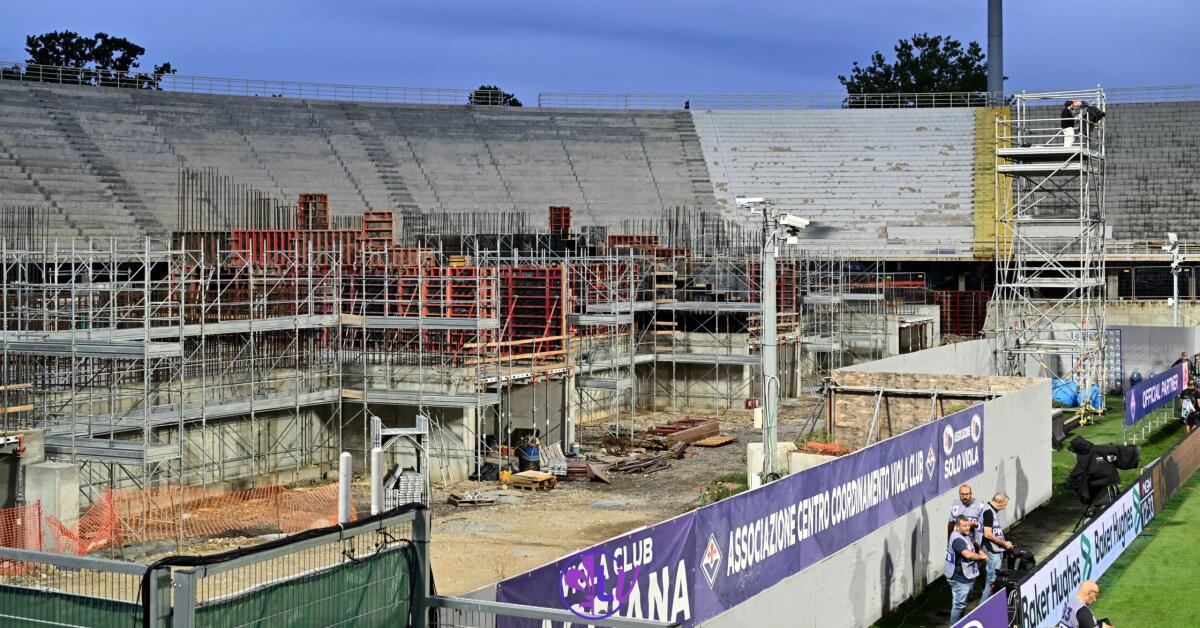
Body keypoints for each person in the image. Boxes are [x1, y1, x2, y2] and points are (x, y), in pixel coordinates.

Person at [945, 515, 987, 623]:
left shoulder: (965, 534)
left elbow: (973, 542)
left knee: (963, 604)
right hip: (959, 577)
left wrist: (980, 550)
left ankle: (960, 623)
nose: (968, 528)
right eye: (964, 526)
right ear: (957, 527)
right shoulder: (957, 539)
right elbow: (968, 555)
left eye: (968, 525)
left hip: (967, 575)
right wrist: (981, 557)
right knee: (958, 605)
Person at [979, 491, 1014, 600]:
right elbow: (988, 534)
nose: (1004, 507)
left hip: (995, 550)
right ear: (999, 502)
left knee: (993, 580)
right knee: (992, 581)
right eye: (1005, 504)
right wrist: (1004, 544)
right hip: (992, 551)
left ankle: (987, 605)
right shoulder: (989, 512)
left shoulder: (990, 511)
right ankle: (983, 608)